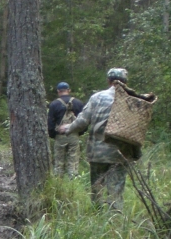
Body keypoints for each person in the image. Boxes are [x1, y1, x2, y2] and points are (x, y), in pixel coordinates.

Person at [58, 68, 139, 211]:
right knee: (116, 189)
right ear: (126, 82)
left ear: (108, 81)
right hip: (121, 153)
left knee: (97, 187)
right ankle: (115, 218)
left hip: (98, 152)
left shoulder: (97, 98)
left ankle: (96, 214)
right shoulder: (132, 100)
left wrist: (68, 128)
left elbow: (83, 121)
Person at [47, 82, 85, 178]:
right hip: (74, 135)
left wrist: (53, 134)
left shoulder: (54, 104)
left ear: (58, 91)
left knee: (59, 162)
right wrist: (79, 133)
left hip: (60, 136)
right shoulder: (78, 103)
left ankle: (58, 181)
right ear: (69, 90)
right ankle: (73, 180)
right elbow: (84, 121)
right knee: (73, 160)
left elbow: (50, 123)